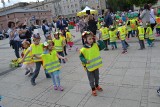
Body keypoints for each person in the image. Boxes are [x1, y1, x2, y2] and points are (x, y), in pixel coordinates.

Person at [79, 31, 105, 96]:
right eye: (89, 39)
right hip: (89, 68)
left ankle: (97, 85)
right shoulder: (83, 49)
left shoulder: (95, 45)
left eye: (92, 38)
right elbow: (81, 57)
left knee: (97, 77)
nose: (91, 40)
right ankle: (93, 89)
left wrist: (98, 39)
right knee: (91, 79)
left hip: (96, 66)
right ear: (85, 40)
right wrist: (85, 61)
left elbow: (103, 46)